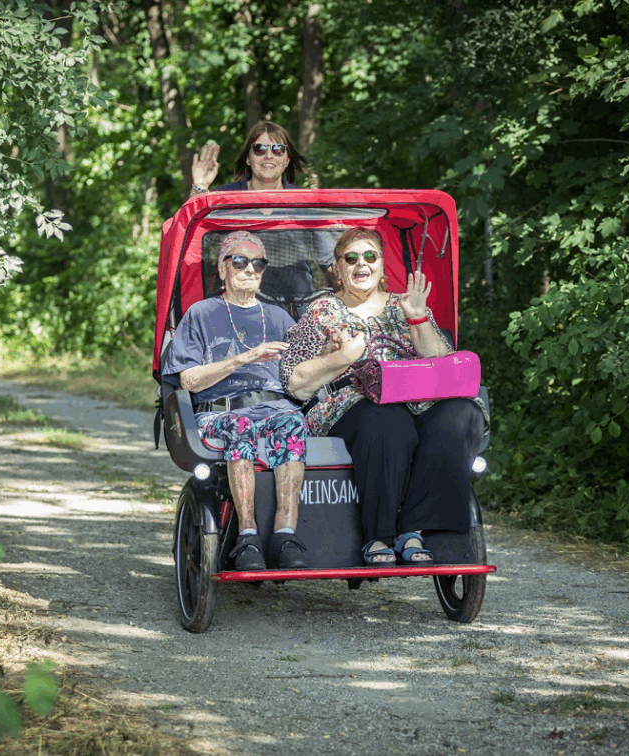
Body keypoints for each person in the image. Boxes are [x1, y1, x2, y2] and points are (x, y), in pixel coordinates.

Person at [278, 228, 485, 566]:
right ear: (338, 268)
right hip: (354, 403)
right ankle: (379, 535)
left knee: (462, 414)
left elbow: (445, 366)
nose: (362, 264)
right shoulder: (322, 311)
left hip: (418, 397)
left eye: (370, 256)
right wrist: (338, 358)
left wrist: (417, 316)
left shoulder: (403, 304)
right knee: (389, 421)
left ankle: (418, 528)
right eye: (352, 258)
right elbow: (294, 382)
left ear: (381, 265)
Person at [162, 231, 310, 571]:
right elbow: (188, 379)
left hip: (275, 407)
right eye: (240, 261)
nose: (249, 269)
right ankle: (247, 535)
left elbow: (304, 373)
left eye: (258, 263)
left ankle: (285, 533)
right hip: (221, 410)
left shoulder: (279, 318)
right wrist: (243, 359)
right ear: (223, 267)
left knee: (292, 422)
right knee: (239, 425)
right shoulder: (202, 313)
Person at [188, 120, 309, 197]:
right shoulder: (223, 197)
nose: (268, 156)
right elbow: (189, 228)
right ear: (248, 158)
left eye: (277, 149)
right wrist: (200, 186)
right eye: (259, 149)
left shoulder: (304, 200)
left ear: (287, 160)